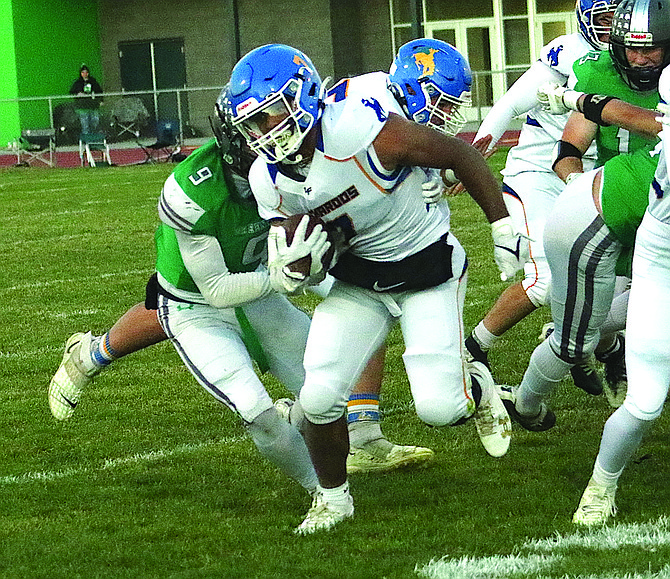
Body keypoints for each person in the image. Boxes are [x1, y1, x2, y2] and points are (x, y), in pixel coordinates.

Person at [47, 92, 434, 477]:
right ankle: (90, 356)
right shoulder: (196, 189)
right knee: (176, 319)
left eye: (281, 121)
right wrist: (280, 277)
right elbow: (215, 289)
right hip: (197, 294)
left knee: (356, 309)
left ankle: (357, 430)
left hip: (266, 259)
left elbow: (360, 200)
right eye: (260, 128)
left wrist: (422, 181)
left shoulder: (309, 152)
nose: (277, 139)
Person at [226, 43, 529, 534]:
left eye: (272, 116)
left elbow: (456, 150)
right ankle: (333, 499)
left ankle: (475, 384)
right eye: (255, 123)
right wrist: (293, 267)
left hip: (426, 270)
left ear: (303, 98)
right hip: (359, 282)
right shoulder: (266, 177)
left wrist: (501, 224)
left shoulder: (357, 127)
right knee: (320, 396)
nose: (264, 132)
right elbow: (301, 246)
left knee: (440, 409)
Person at [503, 0, 668, 435]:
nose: (638, 59)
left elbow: (658, 123)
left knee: (629, 319)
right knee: (577, 340)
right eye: (630, 48)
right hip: (615, 217)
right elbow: (567, 151)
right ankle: (527, 401)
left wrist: (592, 102)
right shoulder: (599, 70)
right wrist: (579, 187)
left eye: (650, 49)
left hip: (660, 217)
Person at [536, 8, 670, 524]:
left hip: (634, 209)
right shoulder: (657, 120)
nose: (641, 59)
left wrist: (579, 100)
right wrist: (583, 102)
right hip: (654, 249)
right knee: (645, 402)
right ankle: (601, 484)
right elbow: (633, 117)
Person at [463, 0, 620, 397]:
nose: (611, 27)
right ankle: (475, 346)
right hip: (537, 174)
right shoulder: (568, 52)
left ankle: (604, 348)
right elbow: (512, 103)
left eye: (617, 19)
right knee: (548, 281)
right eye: (602, 19)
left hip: (593, 174)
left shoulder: (636, 57)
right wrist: (473, 154)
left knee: (611, 276)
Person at [69, 65, 104, 135]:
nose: (85, 74)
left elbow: (99, 91)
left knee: (95, 124)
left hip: (93, 106)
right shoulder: (78, 83)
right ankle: (87, 141)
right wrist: (78, 94)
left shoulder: (93, 81)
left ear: (88, 73)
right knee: (85, 125)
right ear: (81, 73)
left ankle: (95, 139)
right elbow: (72, 91)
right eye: (83, 72)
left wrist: (101, 101)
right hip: (82, 107)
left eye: (86, 72)